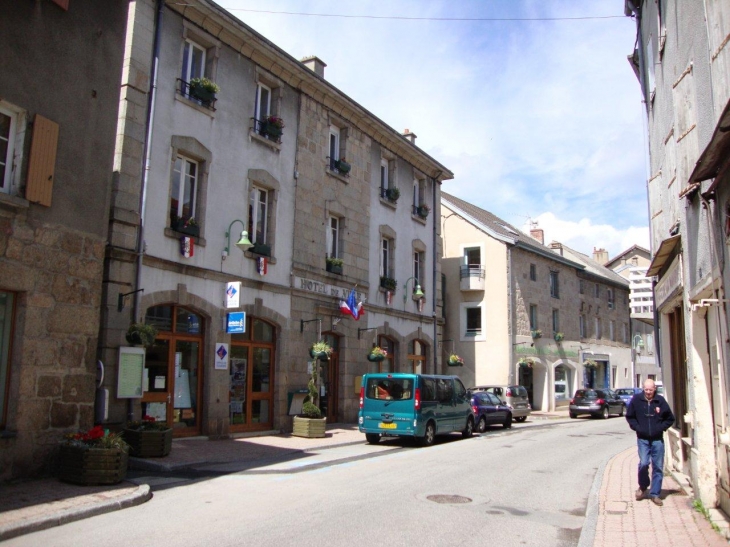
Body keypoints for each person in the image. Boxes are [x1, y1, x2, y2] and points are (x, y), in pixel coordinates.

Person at [625, 379, 675, 506]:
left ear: (654, 389)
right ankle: (642, 486)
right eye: (646, 390)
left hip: (657, 439)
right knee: (643, 463)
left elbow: (670, 419)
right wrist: (637, 427)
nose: (648, 392)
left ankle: (655, 494)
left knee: (658, 466)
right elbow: (630, 416)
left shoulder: (660, 401)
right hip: (642, 438)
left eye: (650, 390)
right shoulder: (636, 400)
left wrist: (660, 428)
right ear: (643, 389)